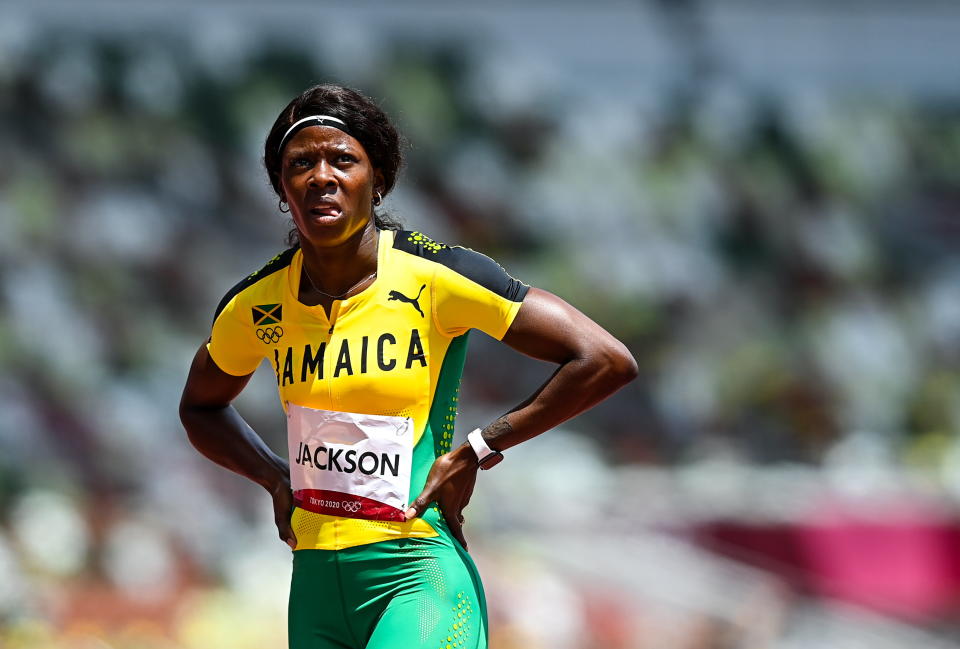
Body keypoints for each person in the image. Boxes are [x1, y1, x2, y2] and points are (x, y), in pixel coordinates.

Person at [179, 84, 638, 649]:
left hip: (416, 574)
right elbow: (201, 407)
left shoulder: (436, 275)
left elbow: (605, 359)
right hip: (316, 585)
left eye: (343, 160)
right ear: (281, 186)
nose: (322, 176)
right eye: (302, 163)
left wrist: (480, 446)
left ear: (379, 180)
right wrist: (274, 477)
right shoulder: (256, 304)